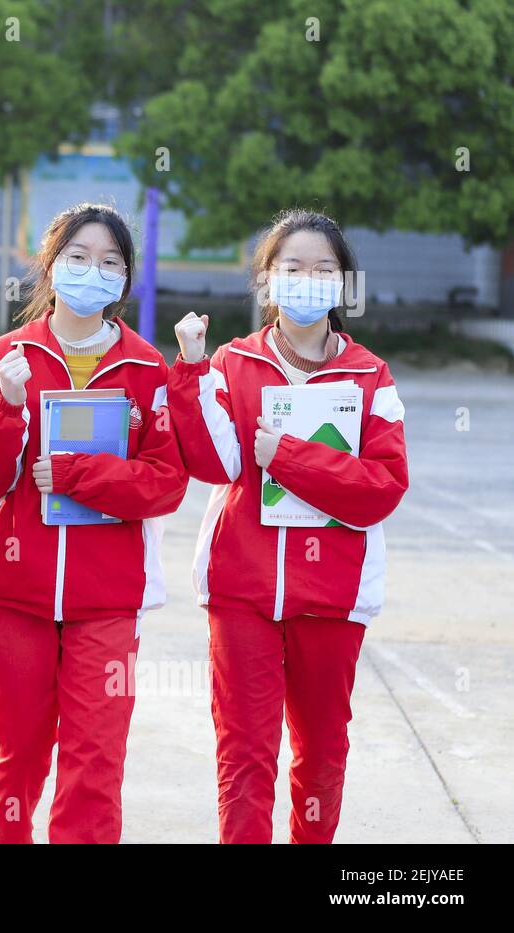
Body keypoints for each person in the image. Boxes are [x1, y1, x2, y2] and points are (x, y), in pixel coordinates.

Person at [166, 208, 409, 843]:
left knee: (323, 752)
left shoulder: (370, 377)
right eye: (291, 267)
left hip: (333, 597)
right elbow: (211, 462)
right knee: (245, 753)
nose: (307, 279)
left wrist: (290, 457)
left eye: (323, 269)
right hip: (242, 588)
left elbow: (381, 489)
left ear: (343, 284)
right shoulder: (232, 363)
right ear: (267, 280)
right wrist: (191, 368)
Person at [0, 203, 187, 843]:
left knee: (95, 760)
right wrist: (6, 406)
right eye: (78, 258)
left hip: (109, 600)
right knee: (17, 754)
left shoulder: (147, 369)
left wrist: (79, 474)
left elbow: (166, 483)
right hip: (16, 593)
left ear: (126, 278)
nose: (93, 271)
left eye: (110, 262)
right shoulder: (4, 358)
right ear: (51, 265)